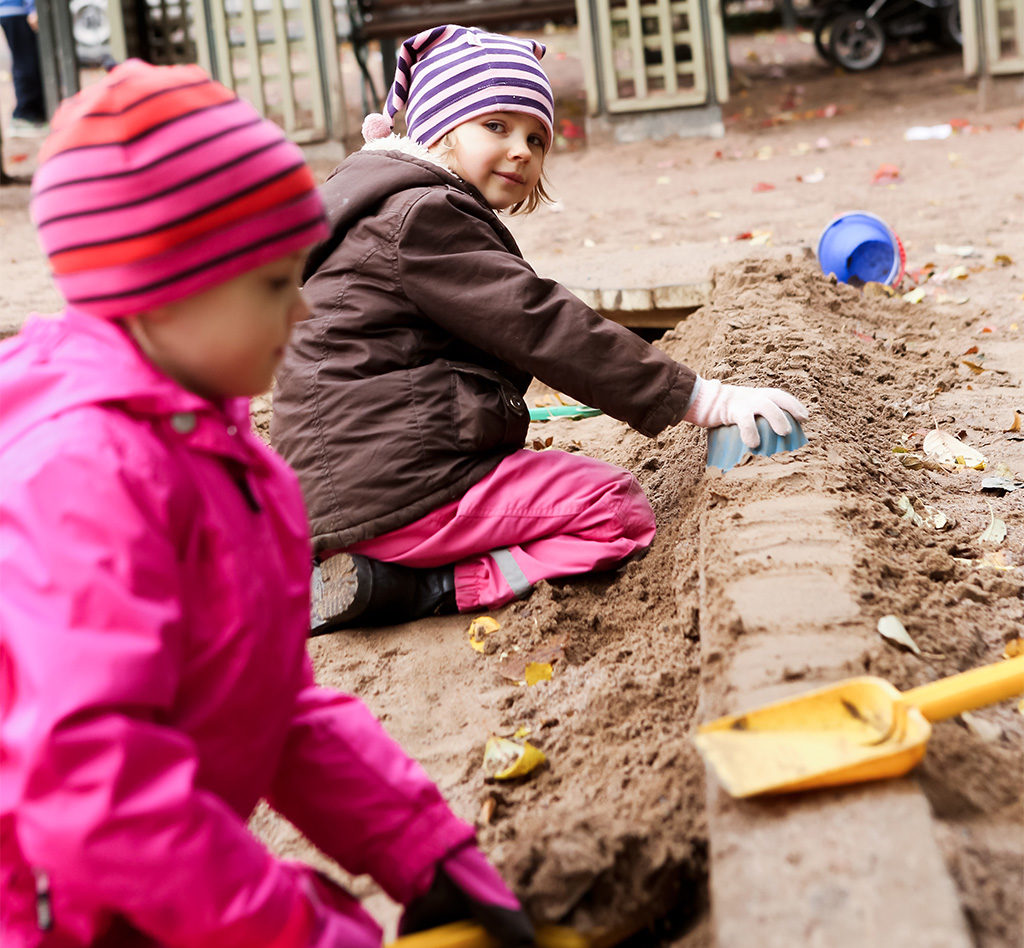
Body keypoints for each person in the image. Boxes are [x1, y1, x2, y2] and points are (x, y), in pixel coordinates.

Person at [0, 60, 535, 948]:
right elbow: (96, 785)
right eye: (272, 284)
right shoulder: (82, 476)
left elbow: (274, 702)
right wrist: (298, 931)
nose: (301, 311)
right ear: (159, 290)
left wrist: (427, 853)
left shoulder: (231, 456)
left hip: (154, 885)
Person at [271, 24, 808, 634]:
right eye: (494, 127)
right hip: (396, 488)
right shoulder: (422, 218)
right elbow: (541, 324)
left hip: (337, 493)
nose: (522, 150)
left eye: (536, 137)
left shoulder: (381, 211)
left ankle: (372, 565)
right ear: (437, 131)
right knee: (615, 510)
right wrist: (700, 398)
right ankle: (426, 585)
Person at [0, 0, 47, 137]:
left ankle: (28, 114)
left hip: (13, 10)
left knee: (24, 62)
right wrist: (32, 7)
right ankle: (24, 115)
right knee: (27, 63)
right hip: (19, 10)